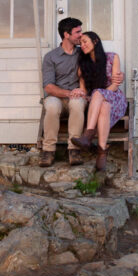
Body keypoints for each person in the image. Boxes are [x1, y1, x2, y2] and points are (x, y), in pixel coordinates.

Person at [70, 31, 125, 171]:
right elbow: (83, 90)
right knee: (104, 106)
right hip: (96, 102)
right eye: (80, 43)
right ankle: (102, 151)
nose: (82, 45)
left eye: (85, 42)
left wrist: (100, 93)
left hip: (115, 98)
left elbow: (115, 84)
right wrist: (78, 92)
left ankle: (88, 134)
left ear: (95, 41)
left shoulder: (112, 57)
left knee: (99, 94)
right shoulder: (83, 65)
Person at [40, 17, 86, 167]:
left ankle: (74, 149)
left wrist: (118, 74)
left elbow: (100, 60)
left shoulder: (82, 54)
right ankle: (48, 151)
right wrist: (68, 93)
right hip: (56, 97)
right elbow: (48, 86)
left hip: (76, 97)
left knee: (78, 103)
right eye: (77, 32)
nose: (81, 35)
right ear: (67, 34)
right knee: (52, 106)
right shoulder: (50, 57)